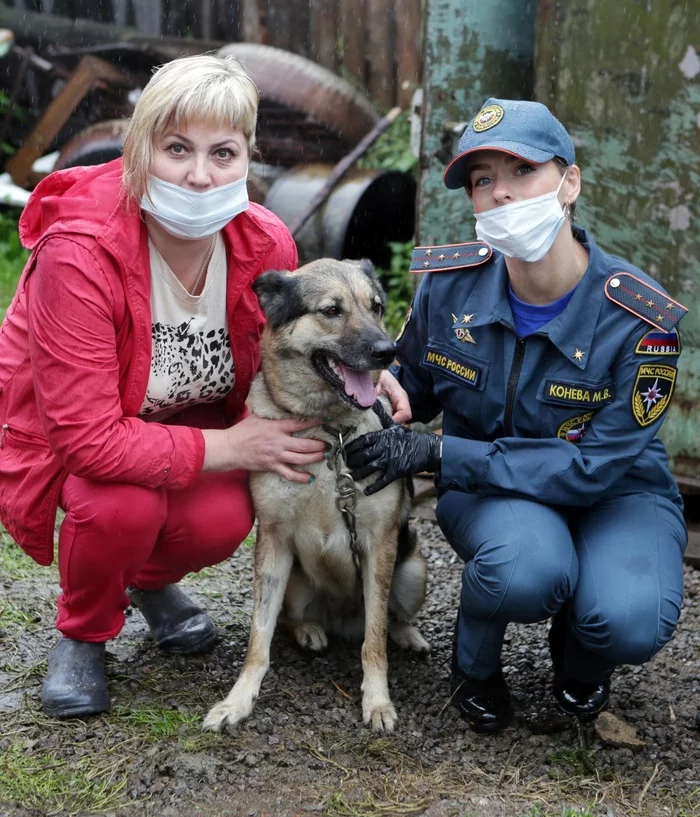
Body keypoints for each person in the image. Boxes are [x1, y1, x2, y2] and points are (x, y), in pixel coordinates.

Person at [0, 53, 328, 719]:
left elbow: (287, 353)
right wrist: (235, 447)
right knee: (120, 507)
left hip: (186, 416)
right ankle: (84, 631)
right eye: (177, 148)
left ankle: (148, 583)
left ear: (248, 159)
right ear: (138, 149)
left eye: (224, 152)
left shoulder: (266, 244)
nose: (202, 175)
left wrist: (365, 383)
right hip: (81, 432)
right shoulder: (80, 252)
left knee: (223, 517)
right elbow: (88, 439)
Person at [347, 98, 689, 733]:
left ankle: (582, 662)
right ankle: (475, 666)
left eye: (522, 172)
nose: (500, 195)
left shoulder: (641, 321)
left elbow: (595, 467)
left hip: (614, 492)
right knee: (527, 569)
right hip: (495, 495)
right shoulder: (447, 285)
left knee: (629, 614)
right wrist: (378, 393)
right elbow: (416, 385)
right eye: (482, 181)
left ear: (570, 183)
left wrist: (441, 454)